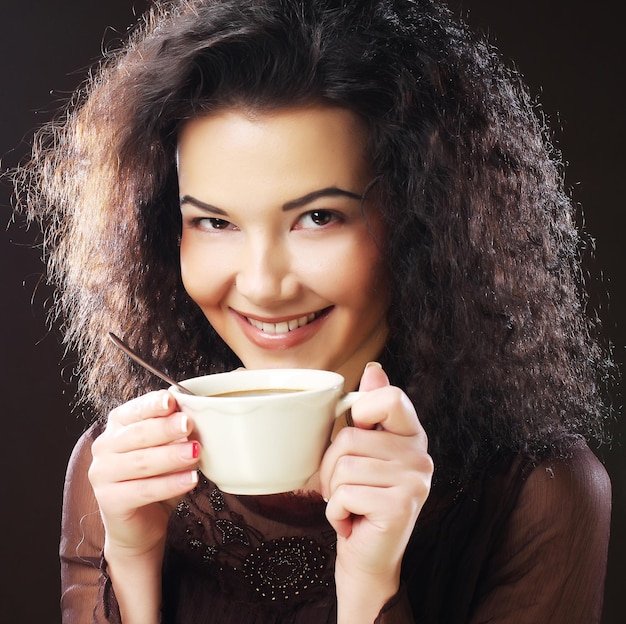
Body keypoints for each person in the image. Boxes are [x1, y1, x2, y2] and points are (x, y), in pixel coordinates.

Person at [14, 0, 613, 622]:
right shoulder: (116, 474)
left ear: (422, 224)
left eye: (318, 217)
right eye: (214, 222)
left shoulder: (538, 494)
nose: (263, 285)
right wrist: (132, 564)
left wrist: (370, 590)